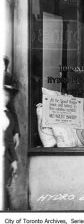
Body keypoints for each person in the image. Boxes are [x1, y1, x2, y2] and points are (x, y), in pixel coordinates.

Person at [2, 81, 19, 210]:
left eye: (8, 96)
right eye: (4, 94)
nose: (6, 98)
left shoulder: (7, 113)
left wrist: (17, 132)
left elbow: (8, 139)